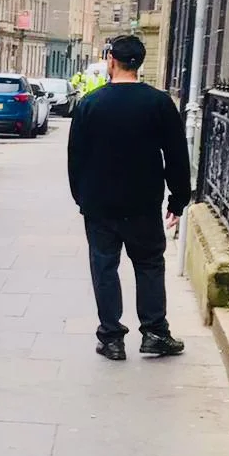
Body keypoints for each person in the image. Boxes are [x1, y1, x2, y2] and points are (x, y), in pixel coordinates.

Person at [67, 33, 191, 361]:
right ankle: (154, 333)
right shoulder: (159, 103)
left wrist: (82, 197)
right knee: (149, 264)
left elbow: (75, 157)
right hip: (143, 201)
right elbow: (177, 155)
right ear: (140, 63)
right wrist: (178, 199)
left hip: (100, 203)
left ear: (111, 60)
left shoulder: (90, 103)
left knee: (104, 267)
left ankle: (111, 338)